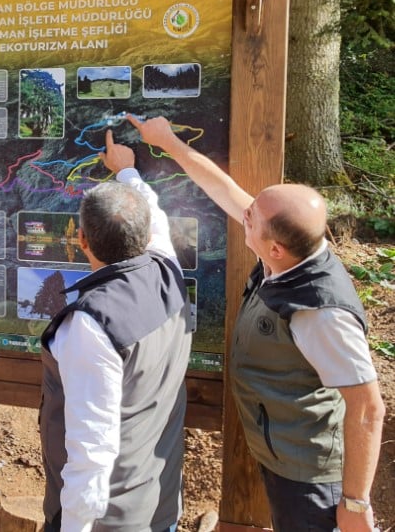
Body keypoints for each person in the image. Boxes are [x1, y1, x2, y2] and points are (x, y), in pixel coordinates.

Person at [127, 114, 385, 532]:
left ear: (276, 247)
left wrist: (355, 504)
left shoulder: (321, 312)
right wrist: (169, 142)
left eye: (253, 218)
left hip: (311, 475)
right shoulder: (290, 252)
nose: (245, 213)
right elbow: (225, 191)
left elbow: (368, 406)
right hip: (282, 451)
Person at [40, 129, 192, 531]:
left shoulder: (91, 325)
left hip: (109, 521)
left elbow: (92, 450)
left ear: (81, 240)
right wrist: (127, 174)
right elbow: (154, 217)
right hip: (157, 501)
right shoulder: (167, 273)